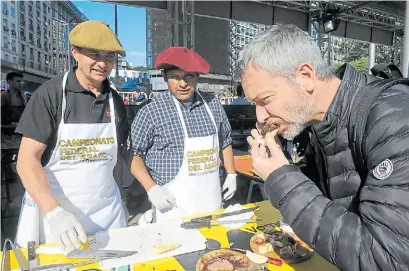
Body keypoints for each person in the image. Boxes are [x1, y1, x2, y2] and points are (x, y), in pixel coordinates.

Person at [241, 24, 409, 270]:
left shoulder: (392, 119)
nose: (260, 117)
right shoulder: (321, 123)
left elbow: (388, 260)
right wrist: (280, 165)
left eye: (265, 100)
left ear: (306, 76)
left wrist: (281, 177)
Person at [14, 20, 129, 252]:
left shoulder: (115, 101)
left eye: (109, 56)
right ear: (75, 53)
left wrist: (125, 198)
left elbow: (114, 158)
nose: (102, 63)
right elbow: (27, 162)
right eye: (94, 54)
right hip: (57, 221)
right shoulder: (51, 95)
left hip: (108, 215)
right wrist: (54, 212)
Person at [128, 46, 237, 223]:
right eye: (175, 77)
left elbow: (225, 140)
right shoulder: (151, 111)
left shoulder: (213, 104)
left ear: (197, 77)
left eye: (189, 76)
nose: (183, 83)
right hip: (171, 208)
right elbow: (133, 154)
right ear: (165, 78)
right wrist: (151, 188)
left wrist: (231, 174)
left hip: (211, 203)